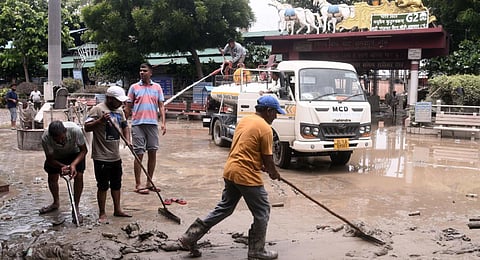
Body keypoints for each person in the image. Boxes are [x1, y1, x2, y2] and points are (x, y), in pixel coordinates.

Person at [179, 95, 285, 259]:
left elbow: (245, 148)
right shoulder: (265, 129)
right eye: (275, 113)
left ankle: (190, 236)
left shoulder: (245, 120)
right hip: (246, 175)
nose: (276, 116)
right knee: (262, 211)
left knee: (224, 208)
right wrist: (273, 172)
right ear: (269, 111)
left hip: (230, 170)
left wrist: (260, 164)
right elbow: (269, 159)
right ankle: (257, 250)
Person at [84, 86, 132, 223]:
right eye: (118, 100)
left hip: (115, 155)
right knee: (103, 185)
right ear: (109, 98)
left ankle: (117, 209)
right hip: (101, 156)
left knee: (117, 184)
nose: (120, 103)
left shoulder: (119, 111)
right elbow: (86, 127)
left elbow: (125, 126)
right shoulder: (97, 109)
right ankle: (102, 213)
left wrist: (128, 140)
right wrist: (100, 121)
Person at [124, 63, 166, 195]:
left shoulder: (157, 87)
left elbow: (161, 106)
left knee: (152, 152)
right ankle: (138, 184)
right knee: (139, 154)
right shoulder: (134, 87)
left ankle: (149, 182)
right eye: (140, 70)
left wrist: (163, 123)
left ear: (151, 73)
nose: (142, 72)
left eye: (145, 70)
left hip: (152, 123)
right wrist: (123, 123)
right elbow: (128, 107)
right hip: (138, 124)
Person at [39, 120, 88, 224]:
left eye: (62, 138)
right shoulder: (45, 138)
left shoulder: (75, 130)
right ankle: (55, 202)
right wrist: (62, 166)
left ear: (65, 131)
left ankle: (76, 207)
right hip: (56, 156)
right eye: (57, 140)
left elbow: (84, 151)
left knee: (79, 176)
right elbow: (50, 159)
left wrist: (73, 165)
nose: (60, 141)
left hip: (75, 153)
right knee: (52, 175)